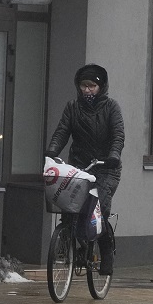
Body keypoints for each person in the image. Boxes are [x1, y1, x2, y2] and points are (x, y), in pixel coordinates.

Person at [46, 64, 124, 276]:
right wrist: (52, 151)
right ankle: (73, 246)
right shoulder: (73, 107)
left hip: (105, 168)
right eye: (83, 86)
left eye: (92, 86)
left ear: (101, 87)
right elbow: (62, 131)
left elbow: (118, 136)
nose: (87, 90)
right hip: (79, 166)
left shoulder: (111, 108)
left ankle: (106, 253)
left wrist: (113, 156)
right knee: (69, 206)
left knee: (98, 212)